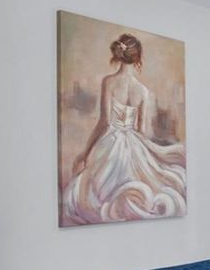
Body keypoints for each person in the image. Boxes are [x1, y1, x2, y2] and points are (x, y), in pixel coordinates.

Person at [62, 33, 186, 223]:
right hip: (133, 143)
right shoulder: (143, 91)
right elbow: (142, 131)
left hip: (110, 141)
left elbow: (104, 121)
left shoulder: (109, 82)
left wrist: (86, 153)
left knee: (99, 189)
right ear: (137, 57)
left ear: (119, 55)